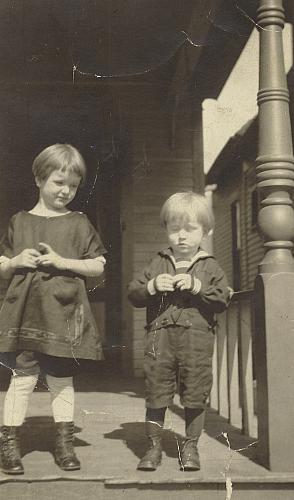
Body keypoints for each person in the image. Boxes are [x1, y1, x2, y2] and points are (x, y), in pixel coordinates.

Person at [0, 144, 106, 475]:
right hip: (27, 315)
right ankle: (9, 444)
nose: (65, 191)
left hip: (63, 314)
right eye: (58, 182)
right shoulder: (20, 221)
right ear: (38, 178)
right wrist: (15, 261)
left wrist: (63, 262)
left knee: (61, 380)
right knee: (22, 380)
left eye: (73, 185)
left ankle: (64, 443)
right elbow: (2, 265)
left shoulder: (78, 222)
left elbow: (98, 266)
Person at [127, 192, 231, 472]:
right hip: (159, 340)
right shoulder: (157, 263)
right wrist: (151, 287)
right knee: (156, 390)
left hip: (197, 340)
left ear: (205, 231)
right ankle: (153, 447)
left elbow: (222, 299)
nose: (182, 236)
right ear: (166, 230)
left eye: (190, 229)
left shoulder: (210, 266)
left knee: (195, 391)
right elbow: (134, 293)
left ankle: (190, 446)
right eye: (175, 229)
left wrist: (198, 287)